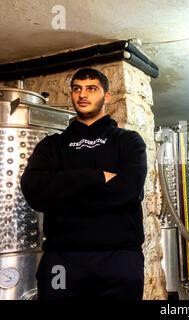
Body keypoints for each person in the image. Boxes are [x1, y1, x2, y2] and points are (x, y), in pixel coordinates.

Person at [20, 68, 147, 300]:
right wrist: (97, 177)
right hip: (62, 260)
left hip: (118, 259)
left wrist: (63, 191)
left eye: (92, 89)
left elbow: (128, 190)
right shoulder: (51, 146)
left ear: (106, 96)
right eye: (77, 88)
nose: (82, 94)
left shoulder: (128, 141)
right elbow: (34, 192)